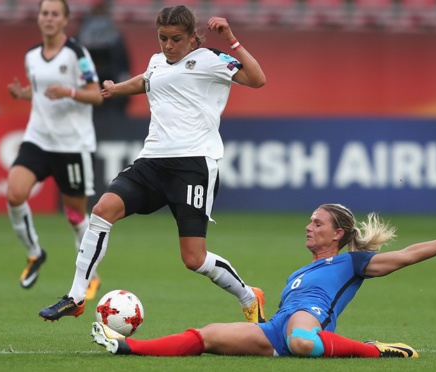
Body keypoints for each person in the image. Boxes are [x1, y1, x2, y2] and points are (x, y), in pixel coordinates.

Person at [38, 6, 267, 323]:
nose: (168, 45)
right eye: (163, 38)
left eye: (176, 39)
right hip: (152, 161)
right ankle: (76, 297)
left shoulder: (212, 60)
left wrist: (231, 39)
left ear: (191, 38)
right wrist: (117, 88)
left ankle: (248, 296)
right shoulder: (157, 61)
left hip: (193, 166)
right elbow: (149, 80)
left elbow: (257, 79)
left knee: (194, 258)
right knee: (103, 210)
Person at [90, 203, 436, 358]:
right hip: (276, 331)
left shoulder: (353, 263)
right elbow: (276, 318)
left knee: (303, 340)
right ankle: (127, 347)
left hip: (309, 325)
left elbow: (405, 256)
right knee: (207, 335)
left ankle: (375, 351)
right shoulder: (298, 273)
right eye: (309, 221)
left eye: (317, 224)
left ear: (337, 234)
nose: (308, 227)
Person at [6, 0, 103, 300]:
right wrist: (25, 93)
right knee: (14, 193)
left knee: (74, 214)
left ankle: (90, 275)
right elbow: (41, 92)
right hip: (38, 139)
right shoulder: (32, 56)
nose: (48, 18)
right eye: (44, 13)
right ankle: (35, 253)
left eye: (54, 14)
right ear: (38, 18)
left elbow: (96, 94)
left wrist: (68, 92)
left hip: (72, 144)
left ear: (64, 20)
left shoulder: (77, 54)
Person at [75, 0, 131, 115]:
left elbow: (123, 66)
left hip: (110, 85)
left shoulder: (115, 36)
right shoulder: (81, 36)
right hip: (88, 86)